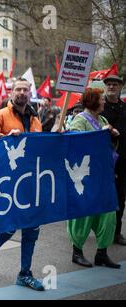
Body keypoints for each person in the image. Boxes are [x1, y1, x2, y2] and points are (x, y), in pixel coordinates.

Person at [0, 78, 44, 291]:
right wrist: (5, 136)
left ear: (30, 92)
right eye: (18, 89)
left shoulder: (35, 119)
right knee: (9, 228)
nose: (22, 93)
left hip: (30, 183)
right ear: (11, 92)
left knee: (32, 228)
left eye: (25, 89)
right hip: (8, 183)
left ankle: (25, 273)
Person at [67, 87, 121, 268]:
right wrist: (99, 134)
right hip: (86, 177)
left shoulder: (103, 119)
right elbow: (75, 142)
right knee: (84, 213)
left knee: (108, 213)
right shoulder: (79, 120)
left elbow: (108, 146)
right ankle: (77, 252)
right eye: (101, 99)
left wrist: (113, 136)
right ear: (92, 100)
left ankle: (102, 253)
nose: (104, 101)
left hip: (103, 175)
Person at [101, 75, 126, 245]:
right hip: (102, 160)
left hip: (122, 160)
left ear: (120, 87)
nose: (111, 87)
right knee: (100, 196)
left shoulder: (125, 107)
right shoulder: (99, 107)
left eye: (114, 84)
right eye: (108, 84)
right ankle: (100, 231)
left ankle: (117, 232)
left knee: (120, 197)